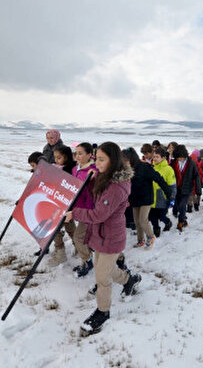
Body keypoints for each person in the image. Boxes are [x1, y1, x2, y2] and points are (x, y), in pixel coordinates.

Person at [64, 142, 141, 336]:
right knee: (102, 267)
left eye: (101, 159)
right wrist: (90, 181)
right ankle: (129, 279)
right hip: (100, 234)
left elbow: (99, 214)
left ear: (113, 161)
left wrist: (75, 214)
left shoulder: (117, 186)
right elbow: (95, 197)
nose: (96, 163)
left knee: (101, 276)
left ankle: (103, 312)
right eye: (96, 158)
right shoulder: (104, 176)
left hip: (111, 236)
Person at [122, 148, 171, 249]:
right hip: (134, 198)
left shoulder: (144, 167)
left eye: (125, 159)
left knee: (143, 220)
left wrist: (168, 192)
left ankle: (150, 237)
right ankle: (141, 240)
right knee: (137, 221)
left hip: (146, 198)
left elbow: (158, 179)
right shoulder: (126, 169)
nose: (124, 162)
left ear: (131, 158)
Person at [70, 142, 97, 277]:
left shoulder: (93, 171)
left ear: (89, 155)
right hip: (78, 208)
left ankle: (87, 261)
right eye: (76, 153)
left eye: (80, 153)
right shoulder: (76, 169)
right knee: (84, 237)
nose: (77, 156)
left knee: (78, 237)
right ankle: (87, 258)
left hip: (89, 210)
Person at [48, 145, 78, 266]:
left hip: (65, 205)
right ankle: (60, 250)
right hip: (55, 203)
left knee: (69, 227)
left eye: (59, 157)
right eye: (55, 157)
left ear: (66, 157)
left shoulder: (71, 169)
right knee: (55, 228)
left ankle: (78, 247)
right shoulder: (55, 167)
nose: (56, 160)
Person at [170, 144, 201, 231]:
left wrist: (198, 189)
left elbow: (197, 176)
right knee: (179, 205)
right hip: (176, 188)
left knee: (183, 205)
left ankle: (180, 222)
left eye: (181, 157)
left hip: (187, 188)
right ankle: (184, 219)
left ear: (184, 155)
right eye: (178, 157)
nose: (179, 159)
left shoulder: (191, 163)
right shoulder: (173, 163)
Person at [148, 146, 176, 237]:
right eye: (154, 156)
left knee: (161, 216)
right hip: (151, 196)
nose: (155, 158)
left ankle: (168, 222)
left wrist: (172, 198)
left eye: (157, 157)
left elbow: (172, 185)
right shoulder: (151, 167)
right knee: (152, 216)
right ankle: (156, 229)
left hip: (162, 197)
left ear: (163, 158)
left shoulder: (168, 169)